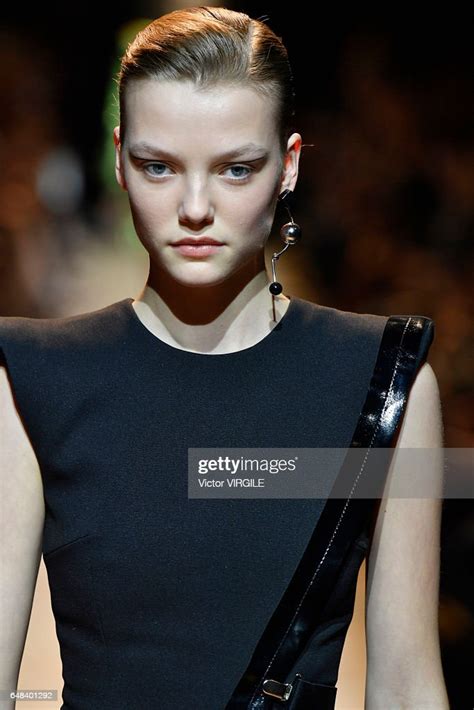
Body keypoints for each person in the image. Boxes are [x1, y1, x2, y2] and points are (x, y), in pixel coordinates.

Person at [0, 7, 449, 709]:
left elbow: (408, 684)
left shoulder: (386, 379)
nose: (196, 207)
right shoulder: (31, 380)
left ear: (290, 166)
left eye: (237, 169)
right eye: (159, 166)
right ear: (119, 159)